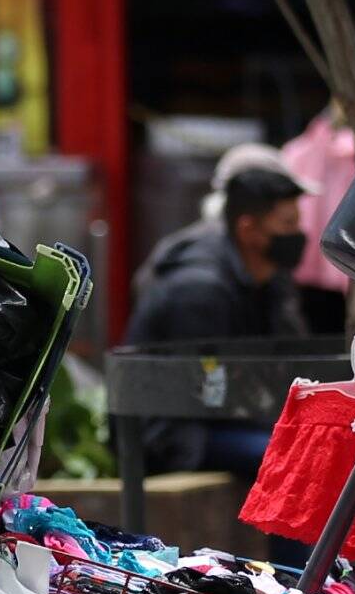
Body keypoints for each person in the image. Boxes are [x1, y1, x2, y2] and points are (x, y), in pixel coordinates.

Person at [120, 165, 312, 474]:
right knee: (297, 458)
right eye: (287, 224)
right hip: (178, 435)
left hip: (228, 420)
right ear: (248, 230)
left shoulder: (270, 279)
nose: (298, 235)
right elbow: (208, 392)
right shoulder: (198, 289)